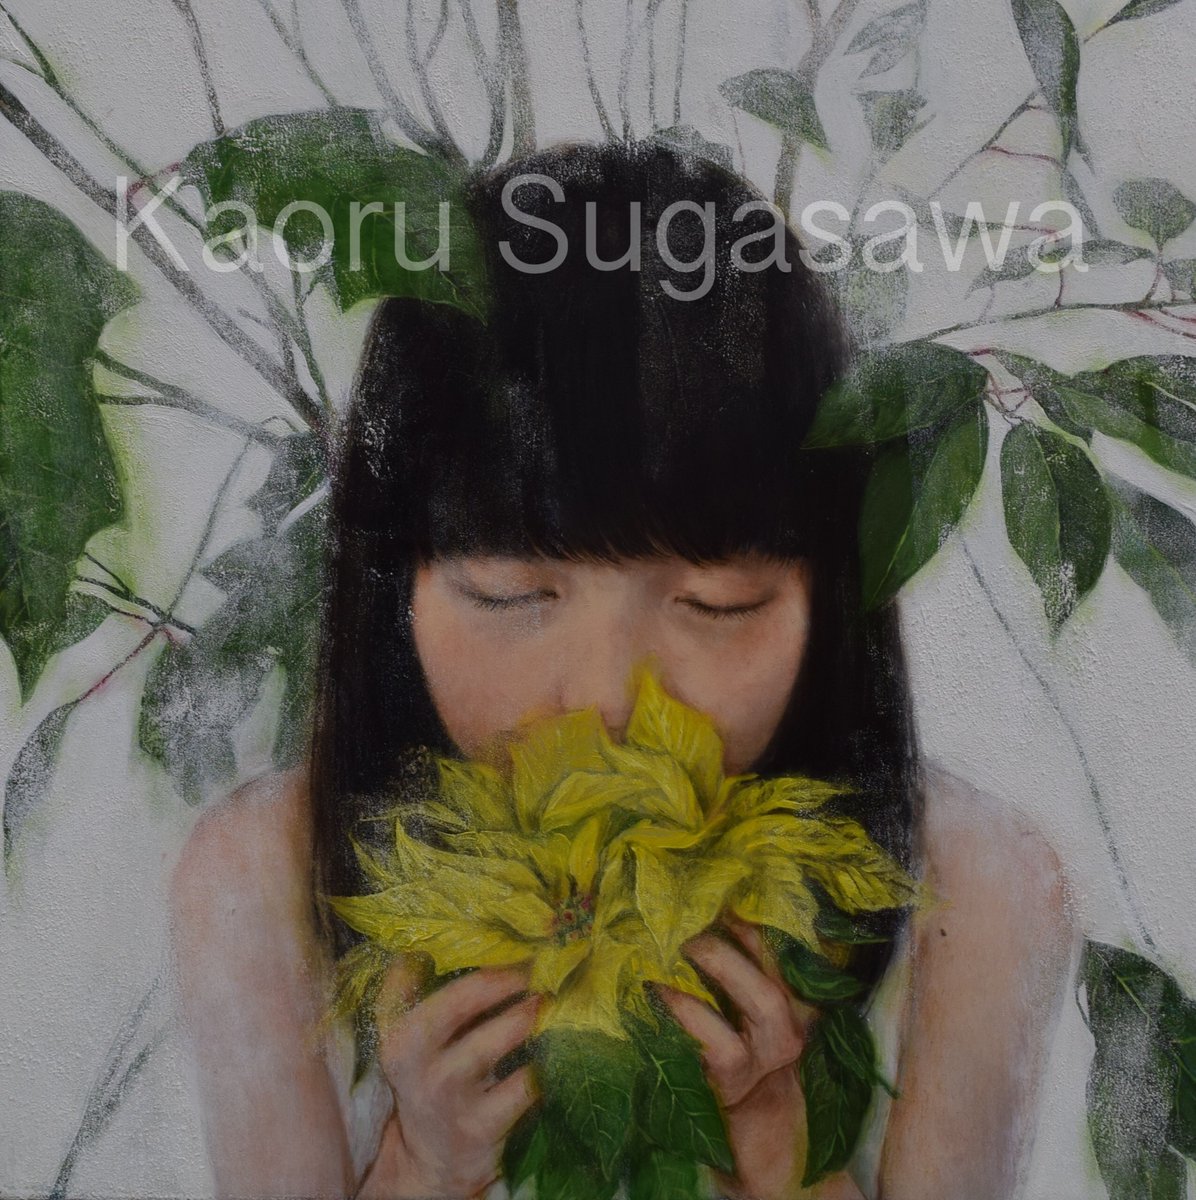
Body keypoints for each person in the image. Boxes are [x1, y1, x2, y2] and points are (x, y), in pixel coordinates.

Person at [170, 139, 1077, 1200]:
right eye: (508, 595)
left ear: (831, 609)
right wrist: (423, 1167)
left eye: (716, 606)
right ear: (392, 592)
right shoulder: (258, 877)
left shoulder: (980, 889)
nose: (605, 702)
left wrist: (783, 1160)